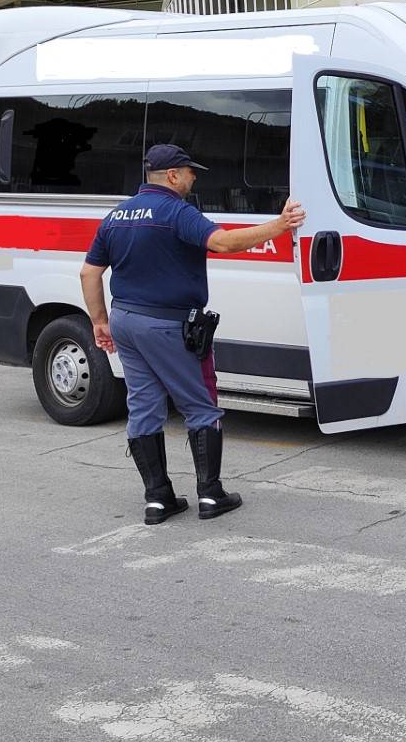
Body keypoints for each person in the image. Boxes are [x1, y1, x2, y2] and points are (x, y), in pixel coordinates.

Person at [80, 144, 305, 525]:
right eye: (189, 172)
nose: (194, 177)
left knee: (144, 406)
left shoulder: (117, 215)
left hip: (125, 321)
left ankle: (157, 499)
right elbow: (223, 242)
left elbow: (89, 272)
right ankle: (211, 494)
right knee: (200, 404)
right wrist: (280, 225)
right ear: (172, 176)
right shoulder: (176, 212)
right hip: (168, 325)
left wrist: (99, 321)